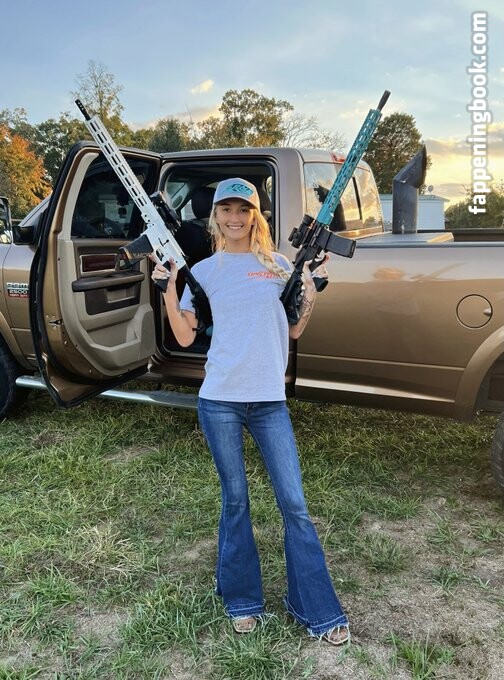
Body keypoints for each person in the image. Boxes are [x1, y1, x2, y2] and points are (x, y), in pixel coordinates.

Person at [151, 178, 350, 646]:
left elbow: (294, 329)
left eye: (244, 209)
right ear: (215, 216)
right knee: (236, 500)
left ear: (255, 215)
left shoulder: (279, 265)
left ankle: (315, 608)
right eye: (227, 209)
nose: (235, 218)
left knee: (295, 504)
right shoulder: (204, 272)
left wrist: (310, 289)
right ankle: (242, 600)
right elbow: (184, 335)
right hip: (219, 399)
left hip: (269, 402)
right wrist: (167, 289)